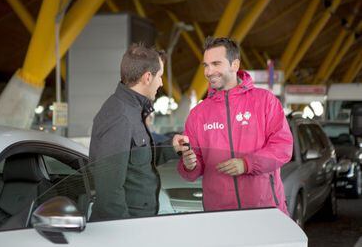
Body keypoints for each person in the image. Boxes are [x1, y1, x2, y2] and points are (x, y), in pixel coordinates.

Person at [173, 36, 293, 215]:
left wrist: (246, 164)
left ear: (234, 65)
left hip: (264, 209)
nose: (208, 71)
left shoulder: (265, 101)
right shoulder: (198, 113)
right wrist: (189, 163)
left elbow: (282, 147)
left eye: (216, 63)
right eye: (206, 65)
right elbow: (194, 166)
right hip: (219, 215)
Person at [89, 43, 164, 221]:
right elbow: (109, 191)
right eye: (160, 76)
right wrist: (126, 234)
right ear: (147, 77)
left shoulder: (133, 110)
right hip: (128, 227)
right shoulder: (120, 116)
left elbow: (137, 159)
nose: (161, 83)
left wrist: (172, 148)